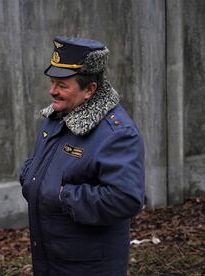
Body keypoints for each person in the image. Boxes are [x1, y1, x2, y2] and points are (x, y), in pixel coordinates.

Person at [19, 36, 145, 275]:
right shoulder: (58, 116)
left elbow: (125, 198)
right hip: (50, 260)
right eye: (52, 82)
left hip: (87, 267)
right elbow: (43, 164)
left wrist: (62, 196)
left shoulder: (116, 133)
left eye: (62, 85)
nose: (52, 91)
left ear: (90, 89)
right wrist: (29, 175)